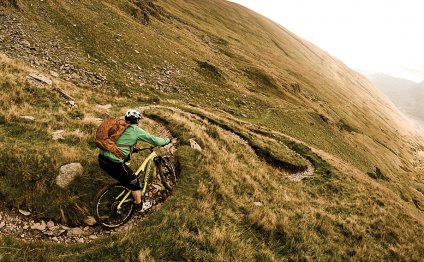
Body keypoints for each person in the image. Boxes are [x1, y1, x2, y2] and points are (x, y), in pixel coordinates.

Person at [98, 109, 170, 209]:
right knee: (135, 182)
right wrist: (167, 140)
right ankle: (140, 206)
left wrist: (132, 149)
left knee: (127, 179)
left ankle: (128, 189)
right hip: (113, 163)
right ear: (136, 121)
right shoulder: (136, 130)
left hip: (102, 159)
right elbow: (155, 140)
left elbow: (118, 142)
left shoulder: (119, 127)